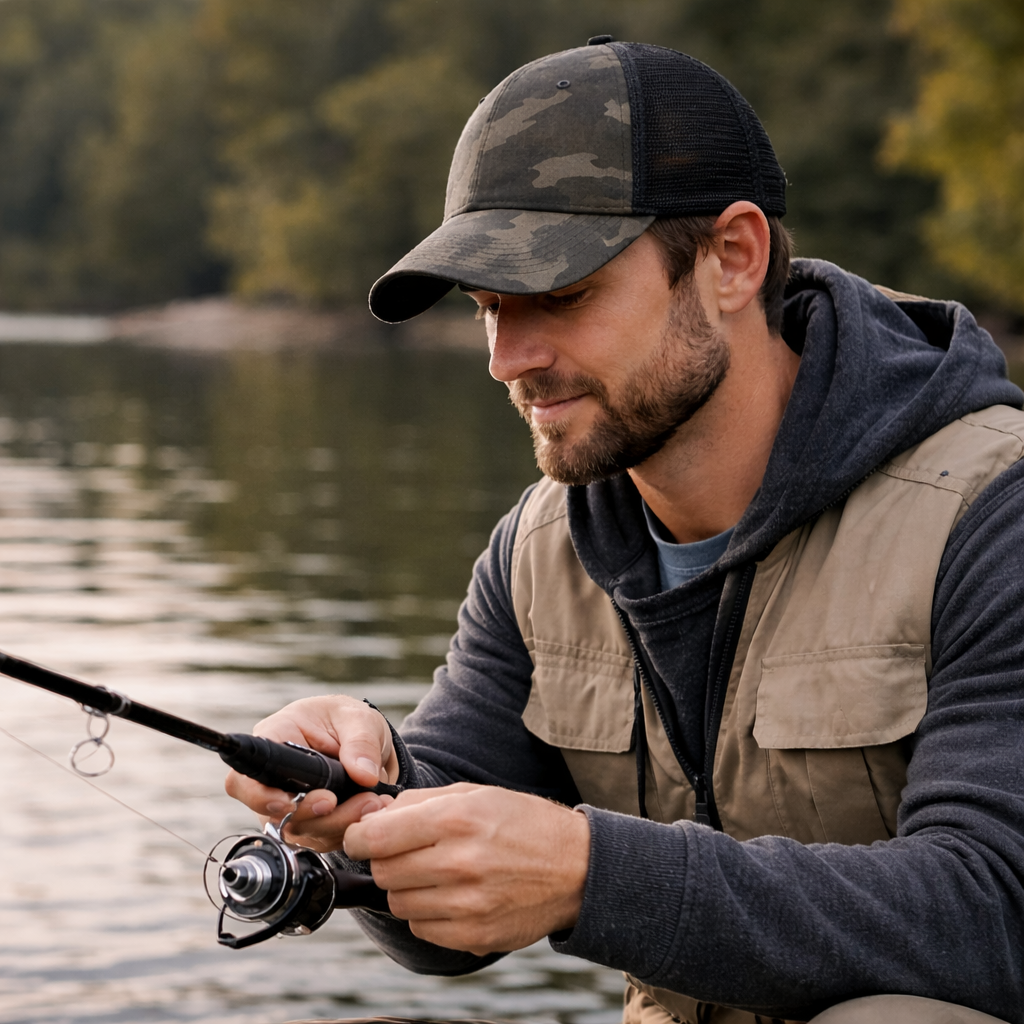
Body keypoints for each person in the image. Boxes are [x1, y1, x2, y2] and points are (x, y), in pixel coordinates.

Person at [226, 40, 1024, 1024]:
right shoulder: (538, 548)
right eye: (489, 309)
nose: (508, 359)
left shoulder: (993, 511)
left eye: (561, 296)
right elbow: (437, 931)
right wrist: (359, 793)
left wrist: (587, 873)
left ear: (733, 259)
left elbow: (996, 913)